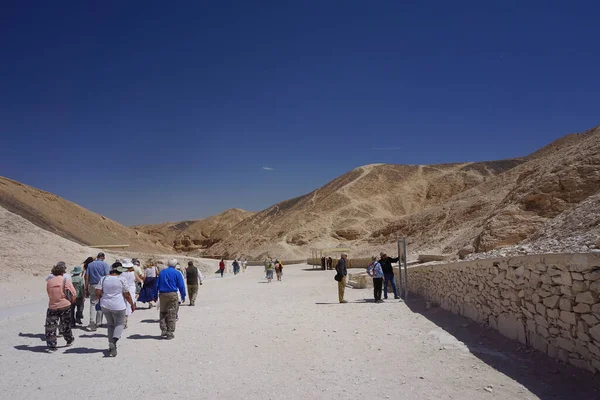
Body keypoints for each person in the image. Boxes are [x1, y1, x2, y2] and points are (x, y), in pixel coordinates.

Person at [96, 262, 136, 357]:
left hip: (105, 305)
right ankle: (114, 341)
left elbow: (97, 291)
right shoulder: (121, 279)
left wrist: (101, 299)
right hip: (118, 305)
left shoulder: (104, 278)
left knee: (110, 325)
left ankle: (111, 346)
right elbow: (126, 294)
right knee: (120, 324)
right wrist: (132, 304)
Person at [45, 262, 76, 352]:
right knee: (66, 324)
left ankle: (51, 345)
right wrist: (71, 300)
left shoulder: (49, 281)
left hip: (52, 306)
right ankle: (69, 339)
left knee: (51, 326)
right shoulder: (65, 280)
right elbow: (73, 293)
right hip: (64, 305)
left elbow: (48, 293)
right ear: (63, 272)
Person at [157, 258, 186, 339]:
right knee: (172, 313)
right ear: (175, 265)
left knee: (163, 312)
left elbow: (157, 284)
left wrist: (155, 295)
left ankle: (163, 329)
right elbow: (181, 286)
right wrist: (183, 295)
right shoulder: (177, 273)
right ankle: (170, 332)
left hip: (162, 294)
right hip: (172, 294)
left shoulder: (162, 272)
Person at [85, 252, 110, 331]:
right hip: (102, 285)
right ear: (103, 258)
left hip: (92, 285)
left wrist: (86, 287)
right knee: (101, 303)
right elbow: (107, 276)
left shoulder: (90, 265)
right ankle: (99, 322)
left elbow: (87, 277)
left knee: (93, 303)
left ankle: (92, 322)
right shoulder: (105, 265)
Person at [120, 259, 137, 328]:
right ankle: (125, 320)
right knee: (128, 305)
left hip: (122, 288)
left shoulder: (121, 273)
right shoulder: (133, 272)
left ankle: (121, 320)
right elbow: (137, 279)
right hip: (131, 289)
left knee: (122, 304)